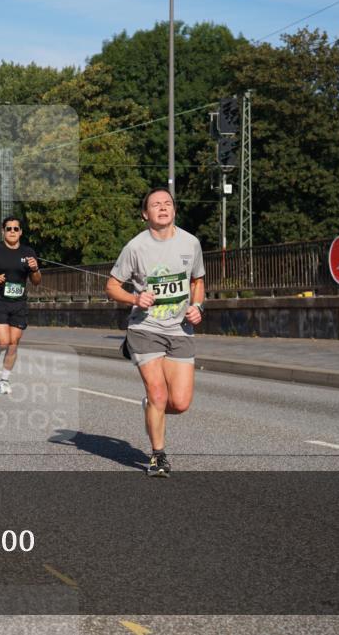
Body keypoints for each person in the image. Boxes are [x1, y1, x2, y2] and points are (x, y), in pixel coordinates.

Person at [105, 188, 205, 477]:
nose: (163, 208)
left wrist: (198, 306)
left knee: (180, 403)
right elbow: (112, 286)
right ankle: (158, 456)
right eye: (155, 205)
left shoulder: (191, 243)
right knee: (159, 394)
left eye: (168, 203)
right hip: (145, 328)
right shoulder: (135, 248)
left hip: (181, 330)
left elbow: (198, 280)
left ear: (174, 209)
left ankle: (151, 406)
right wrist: (135, 299)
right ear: (145, 214)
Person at [0, 216, 41, 394]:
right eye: (9, 229)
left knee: (14, 343)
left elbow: (36, 281)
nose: (12, 232)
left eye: (15, 229)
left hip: (19, 302)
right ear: (3, 231)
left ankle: (4, 380)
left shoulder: (28, 252)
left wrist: (35, 269)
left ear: (20, 232)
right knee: (4, 341)